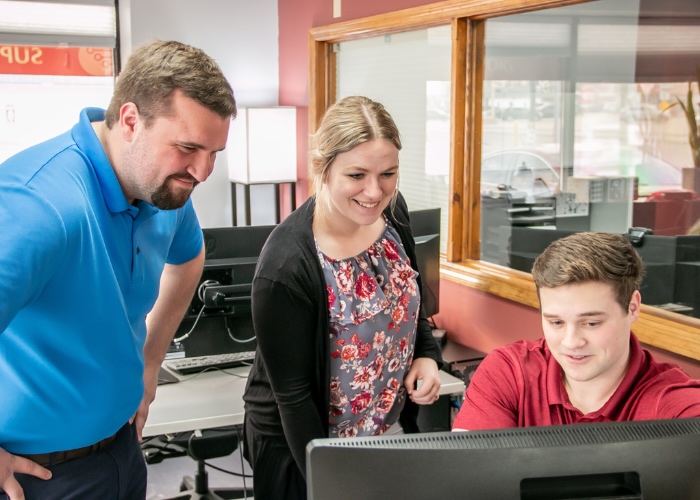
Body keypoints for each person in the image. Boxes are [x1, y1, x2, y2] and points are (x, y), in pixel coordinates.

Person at [0, 40, 236, 499]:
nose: (203, 172)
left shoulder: (163, 186)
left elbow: (189, 257)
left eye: (214, 152)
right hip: (41, 477)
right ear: (130, 120)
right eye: (189, 147)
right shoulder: (38, 206)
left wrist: (151, 359)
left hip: (123, 451)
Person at [242, 95, 443, 499]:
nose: (375, 191)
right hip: (306, 448)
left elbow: (410, 297)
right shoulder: (287, 266)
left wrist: (426, 354)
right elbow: (294, 399)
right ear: (322, 167)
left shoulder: (392, 213)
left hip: (384, 431)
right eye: (357, 175)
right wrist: (329, 483)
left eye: (388, 173)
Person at [453, 232, 700, 431]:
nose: (571, 342)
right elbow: (467, 478)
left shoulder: (674, 403)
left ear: (632, 307)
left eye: (591, 323)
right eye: (556, 323)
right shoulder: (508, 372)